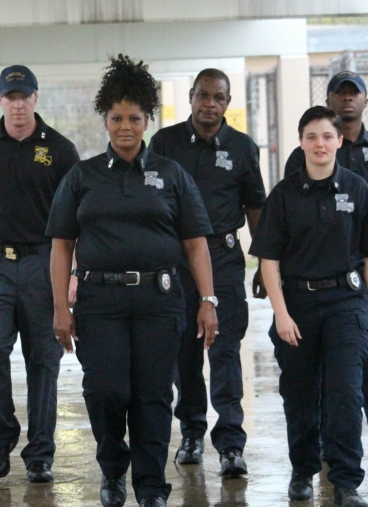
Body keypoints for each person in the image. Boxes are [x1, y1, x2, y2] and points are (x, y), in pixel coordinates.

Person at [47, 54, 218, 507]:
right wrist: (61, 308)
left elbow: (196, 243)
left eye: (135, 118)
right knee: (107, 390)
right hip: (99, 301)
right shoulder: (81, 177)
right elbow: (61, 245)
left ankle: (150, 487)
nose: (125, 127)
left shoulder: (170, 174)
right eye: (117, 118)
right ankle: (112, 468)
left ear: (147, 121)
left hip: (159, 299)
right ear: (105, 120)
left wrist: (208, 300)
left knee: (153, 395)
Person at [250, 106, 368, 507]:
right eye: (311, 137)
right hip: (297, 305)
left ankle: (346, 482)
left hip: (347, 303)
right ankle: (303, 469)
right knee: (299, 392)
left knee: (345, 391)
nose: (319, 144)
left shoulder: (357, 189)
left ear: (339, 141)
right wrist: (280, 313)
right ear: (301, 142)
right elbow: (269, 261)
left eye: (327, 136)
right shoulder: (283, 195)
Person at [284, 71, 368, 474]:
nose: (346, 101)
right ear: (328, 99)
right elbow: (291, 218)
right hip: (323, 277)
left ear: (365, 100)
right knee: (330, 363)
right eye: (338, 94)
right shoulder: (310, 150)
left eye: (353, 94)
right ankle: (333, 444)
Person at [0, 65, 80, 483]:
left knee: (44, 359)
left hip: (45, 263)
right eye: (10, 97)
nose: (17, 104)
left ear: (35, 99)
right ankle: (1, 434)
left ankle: (40, 453)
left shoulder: (61, 150)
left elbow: (75, 220)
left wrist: (74, 274)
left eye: (24, 96)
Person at [148, 68, 266, 475]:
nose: (209, 104)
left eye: (218, 97)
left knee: (225, 350)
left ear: (227, 103)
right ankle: (193, 433)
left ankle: (232, 442)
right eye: (202, 96)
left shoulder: (243, 148)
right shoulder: (164, 144)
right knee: (183, 352)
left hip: (224, 260)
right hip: (177, 263)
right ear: (191, 98)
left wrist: (265, 264)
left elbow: (256, 208)